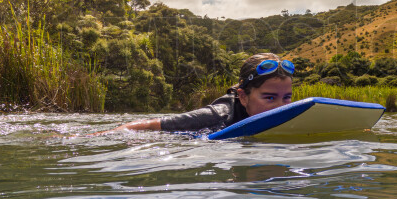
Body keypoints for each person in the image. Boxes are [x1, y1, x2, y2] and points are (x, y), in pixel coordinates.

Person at [109, 53, 294, 133]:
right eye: (269, 98)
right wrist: (99, 136)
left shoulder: (293, 113)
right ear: (243, 97)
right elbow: (149, 125)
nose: (281, 106)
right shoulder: (217, 116)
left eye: (287, 97)